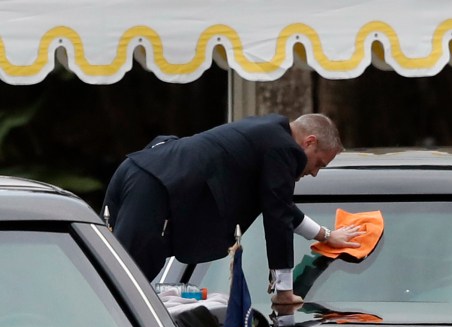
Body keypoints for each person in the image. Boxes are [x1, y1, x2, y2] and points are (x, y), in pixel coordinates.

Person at [102, 113, 361, 304]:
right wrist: (283, 291)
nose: (314, 173)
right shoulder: (285, 148)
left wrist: (325, 236)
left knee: (113, 270)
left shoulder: (269, 131)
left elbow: (279, 206)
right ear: (309, 142)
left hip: (137, 170)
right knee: (125, 283)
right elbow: (278, 216)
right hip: (153, 185)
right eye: (318, 163)